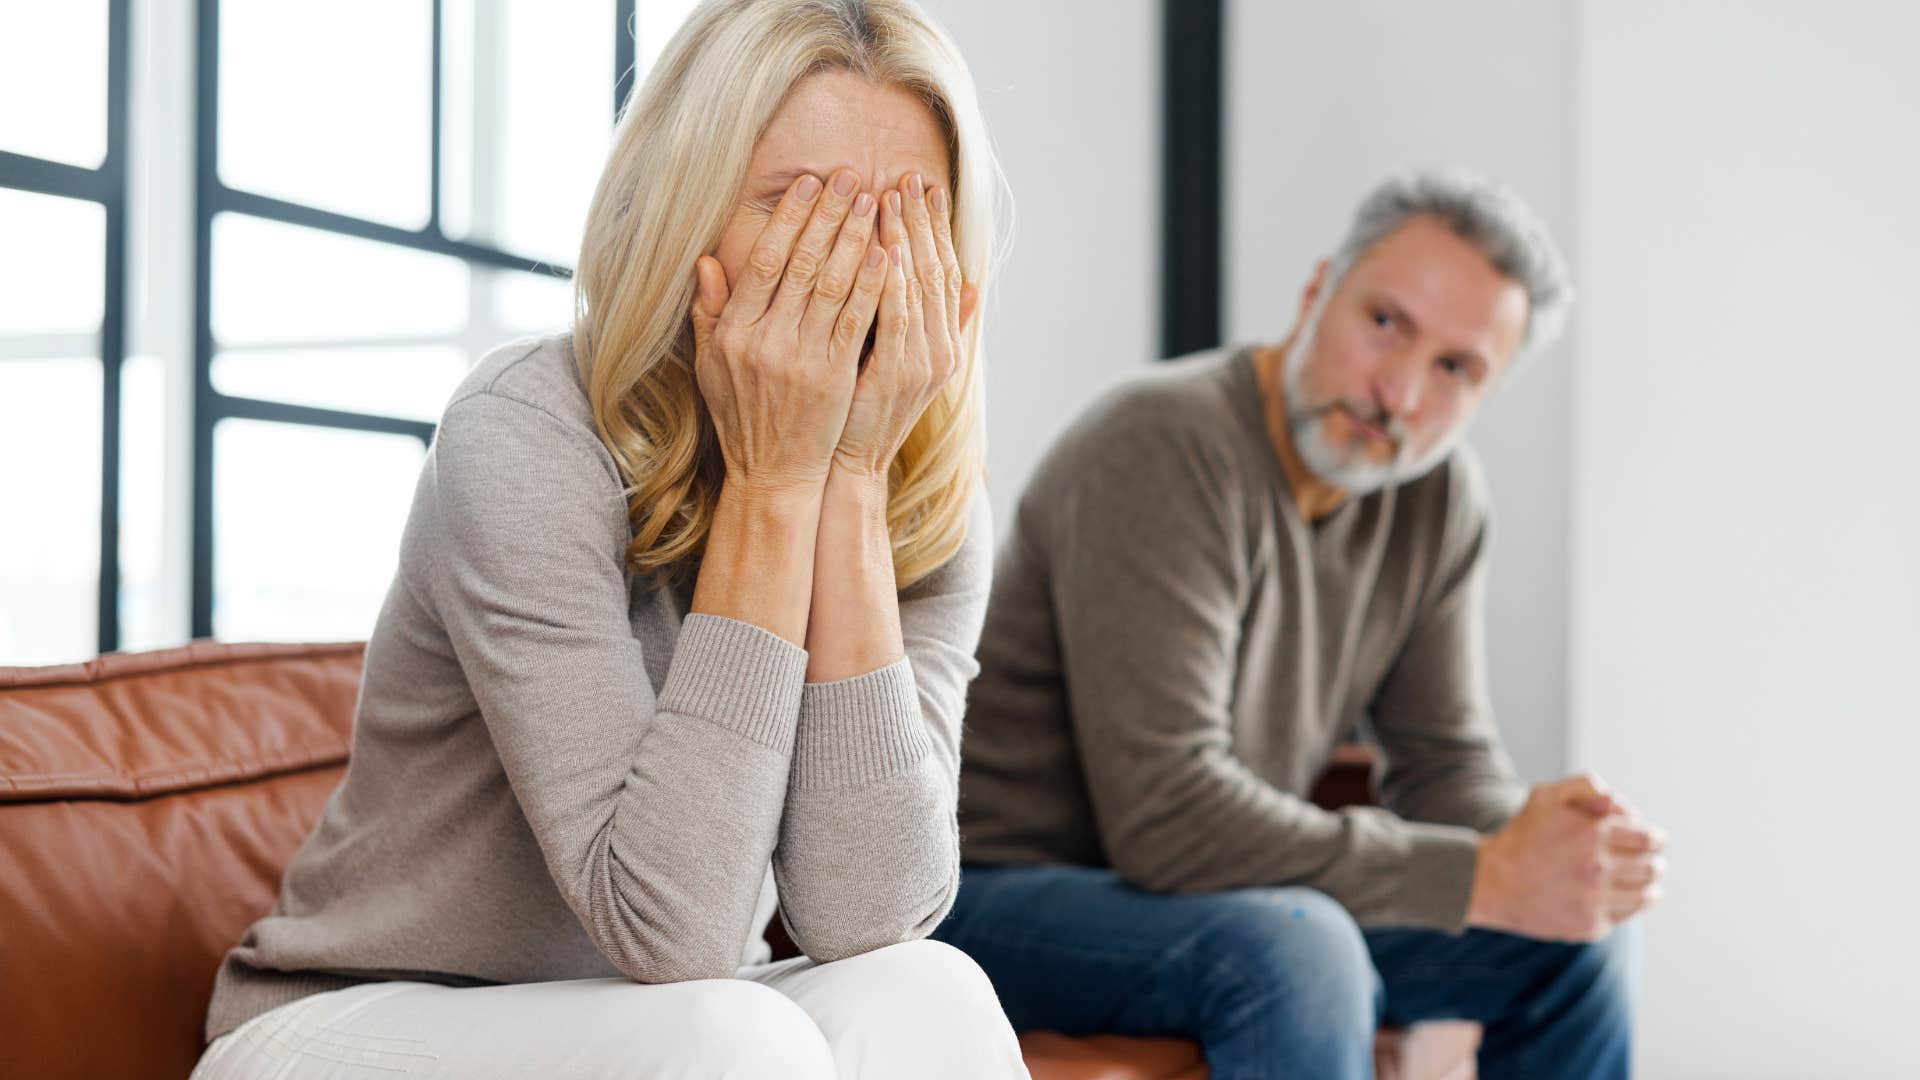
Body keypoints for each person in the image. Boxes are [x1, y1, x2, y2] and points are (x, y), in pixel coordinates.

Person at [192, 1, 1027, 1076]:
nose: (844, 272)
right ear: (687, 216)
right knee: (731, 1030)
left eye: (898, 220)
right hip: (353, 1020)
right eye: (796, 205)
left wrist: (852, 483)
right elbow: (671, 929)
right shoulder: (524, 432)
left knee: (930, 985)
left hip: (651, 1018)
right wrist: (776, 487)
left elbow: (871, 917)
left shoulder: (926, 494)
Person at [932, 170, 1667, 1080]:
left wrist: (1550, 848)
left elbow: (1444, 765)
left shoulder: (1436, 497)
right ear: (1318, 291)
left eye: (1455, 368)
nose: (1397, 392)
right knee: (1300, 948)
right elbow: (1168, 820)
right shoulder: (1162, 444)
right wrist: (1485, 876)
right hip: (1004, 896)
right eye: (1386, 323)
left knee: (1576, 942)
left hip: (1222, 898)